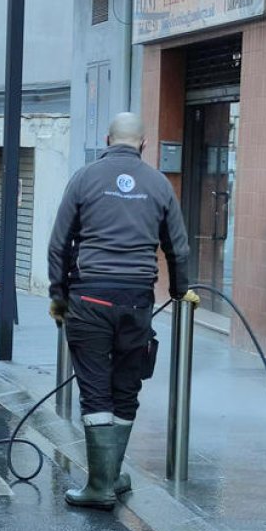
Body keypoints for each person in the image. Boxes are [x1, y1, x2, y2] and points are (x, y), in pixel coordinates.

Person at [48, 112, 199, 510]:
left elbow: (59, 243)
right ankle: (110, 475)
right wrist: (182, 291)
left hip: (90, 300)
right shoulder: (160, 184)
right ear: (144, 145)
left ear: (107, 139)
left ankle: (101, 483)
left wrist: (58, 296)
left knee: (95, 389)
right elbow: (178, 248)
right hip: (136, 301)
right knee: (126, 388)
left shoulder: (84, 178)